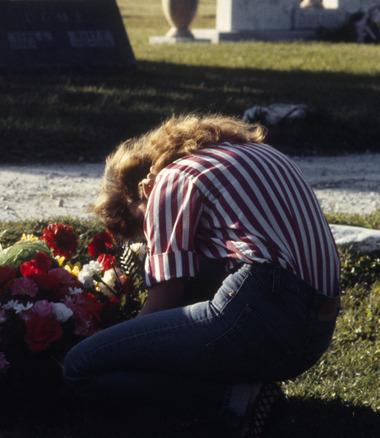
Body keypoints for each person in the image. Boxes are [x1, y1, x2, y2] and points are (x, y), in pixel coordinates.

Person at [62, 114, 341, 437]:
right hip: (315, 333)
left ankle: (233, 401)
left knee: (80, 366)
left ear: (135, 193)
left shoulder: (168, 181)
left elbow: (163, 303)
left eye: (138, 225)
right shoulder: (255, 152)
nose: (148, 237)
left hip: (262, 311)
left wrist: (117, 341)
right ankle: (244, 390)